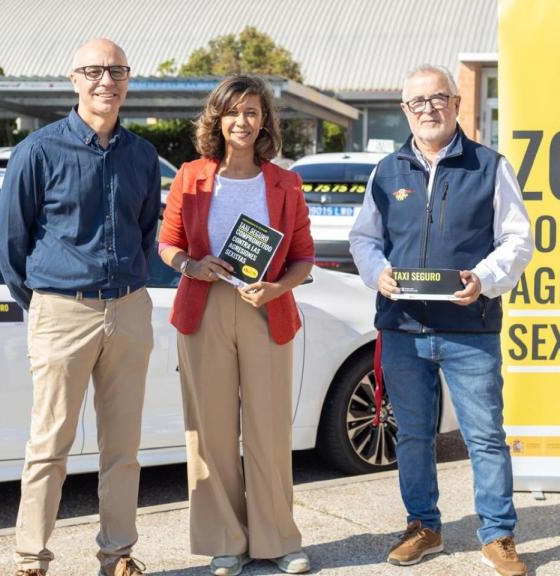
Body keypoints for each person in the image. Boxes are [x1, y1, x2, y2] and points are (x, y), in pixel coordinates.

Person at [348, 64, 534, 576]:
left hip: (468, 327)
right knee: (411, 435)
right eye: (417, 103)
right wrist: (377, 273)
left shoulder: (490, 165)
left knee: (485, 436)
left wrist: (483, 277)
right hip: (403, 328)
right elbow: (364, 239)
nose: (428, 109)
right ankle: (423, 527)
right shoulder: (386, 171)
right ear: (405, 110)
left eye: (437, 99)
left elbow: (518, 240)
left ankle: (498, 534)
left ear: (455, 103)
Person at [0, 38, 160, 576]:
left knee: (123, 448)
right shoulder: (38, 151)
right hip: (62, 310)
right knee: (49, 445)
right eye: (93, 70)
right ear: (73, 79)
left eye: (116, 71)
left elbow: (146, 231)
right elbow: (9, 244)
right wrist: (46, 302)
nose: (105, 81)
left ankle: (117, 556)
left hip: (129, 310)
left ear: (128, 80)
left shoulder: (141, 155)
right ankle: (31, 559)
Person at [158, 75, 314, 576]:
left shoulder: (285, 182)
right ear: (218, 120)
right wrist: (191, 266)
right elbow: (168, 243)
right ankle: (227, 541)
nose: (242, 121)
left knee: (269, 430)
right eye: (232, 112)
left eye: (251, 112)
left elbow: (304, 259)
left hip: (265, 309)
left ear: (264, 120)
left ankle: (278, 540)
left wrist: (276, 288)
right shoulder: (191, 176)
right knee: (212, 433)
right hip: (203, 310)